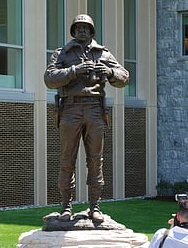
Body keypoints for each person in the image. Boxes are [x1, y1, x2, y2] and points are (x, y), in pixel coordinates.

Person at [44, 14, 129, 222]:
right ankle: (66, 207)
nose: (82, 31)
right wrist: (75, 70)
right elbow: (49, 79)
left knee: (95, 160)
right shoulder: (62, 53)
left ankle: (95, 206)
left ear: (92, 31)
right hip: (70, 108)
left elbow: (124, 76)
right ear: (73, 31)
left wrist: (109, 72)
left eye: (86, 28)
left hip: (94, 108)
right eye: (78, 27)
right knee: (66, 160)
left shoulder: (103, 53)